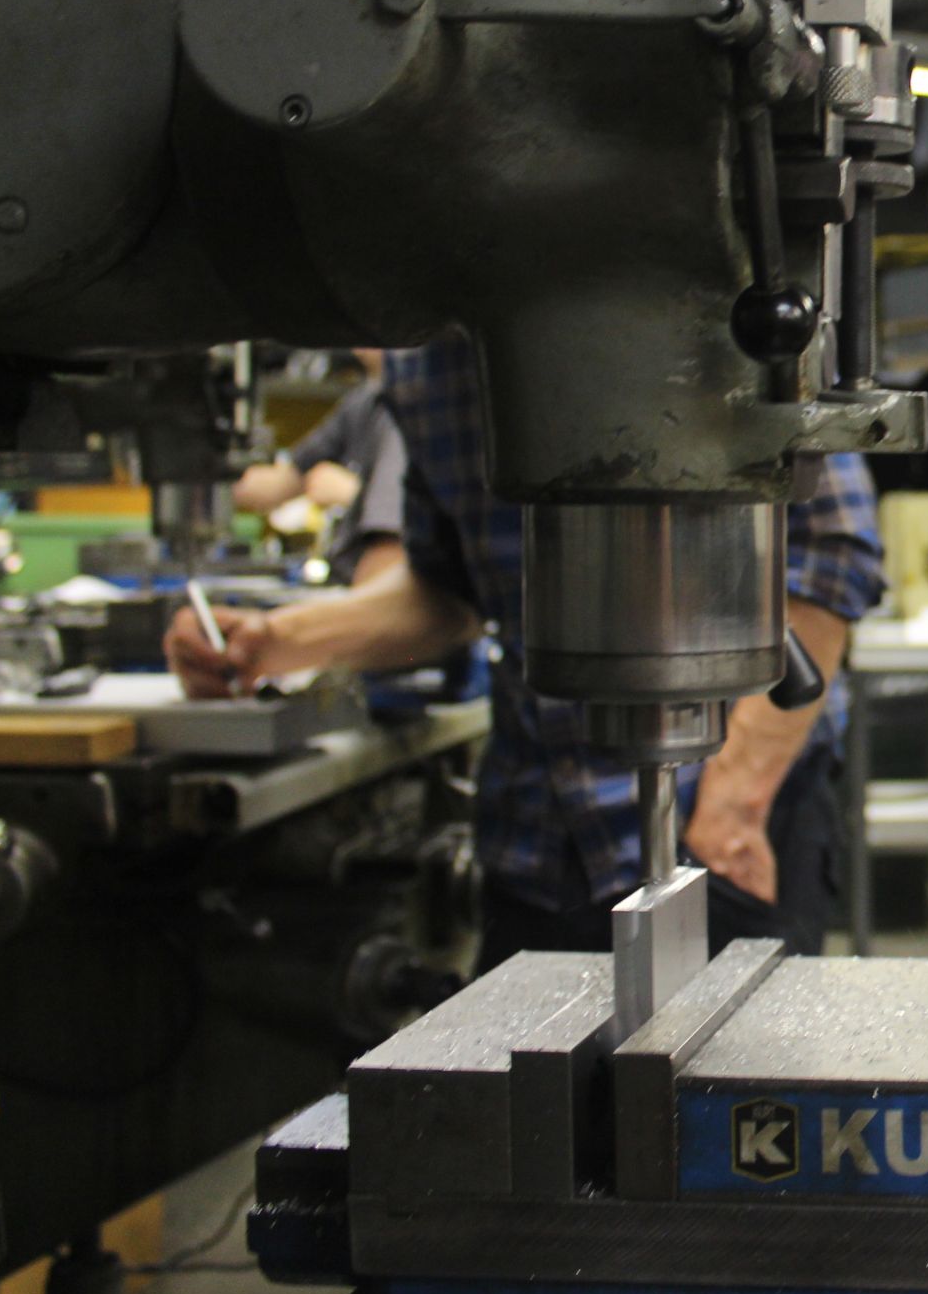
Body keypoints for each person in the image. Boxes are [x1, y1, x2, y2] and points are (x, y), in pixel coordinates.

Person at [167, 336, 885, 964]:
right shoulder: (423, 369)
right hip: (534, 842)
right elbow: (447, 589)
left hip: (719, 826)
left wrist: (733, 803)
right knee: (532, 1107)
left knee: (716, 1111)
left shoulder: (697, 307)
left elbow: (832, 549)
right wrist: (280, 640)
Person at [235, 349, 408, 585]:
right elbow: (278, 482)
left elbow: (391, 555)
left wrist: (353, 495)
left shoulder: (413, 408)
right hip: (350, 584)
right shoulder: (362, 403)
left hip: (380, 588)